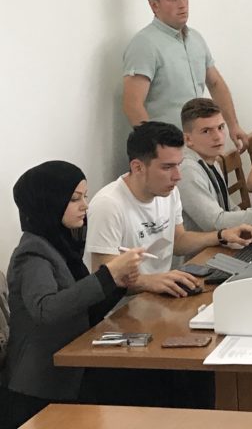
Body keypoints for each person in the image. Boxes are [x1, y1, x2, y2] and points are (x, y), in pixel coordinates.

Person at [0, 162, 144, 429]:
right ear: (49, 202)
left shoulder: (63, 245)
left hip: (69, 376)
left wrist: (118, 284)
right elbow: (46, 309)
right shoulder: (32, 253)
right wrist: (107, 275)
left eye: (85, 196)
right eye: (75, 198)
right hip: (37, 387)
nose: (85, 206)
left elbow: (81, 311)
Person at [86, 122, 252, 296]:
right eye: (167, 167)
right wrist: (150, 281)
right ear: (138, 167)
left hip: (163, 292)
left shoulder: (169, 191)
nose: (177, 176)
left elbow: (178, 240)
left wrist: (221, 235)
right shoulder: (108, 205)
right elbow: (103, 279)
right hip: (127, 304)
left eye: (178, 165)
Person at [122, 0, 248, 151]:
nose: (182, 4)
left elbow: (215, 84)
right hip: (168, 150)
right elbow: (132, 104)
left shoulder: (195, 38)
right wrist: (157, 149)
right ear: (154, 5)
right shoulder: (144, 44)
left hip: (198, 145)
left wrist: (233, 125)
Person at [177, 98, 252, 233]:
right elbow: (216, 222)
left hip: (225, 238)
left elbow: (230, 209)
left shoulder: (211, 159)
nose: (218, 137)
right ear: (188, 139)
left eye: (220, 127)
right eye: (206, 131)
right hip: (206, 245)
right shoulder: (187, 170)